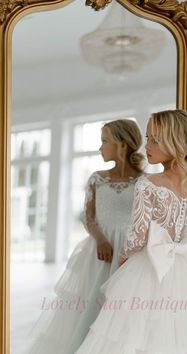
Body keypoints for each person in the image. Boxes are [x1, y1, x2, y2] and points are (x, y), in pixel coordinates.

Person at [75, 109, 187, 354]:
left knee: (134, 335)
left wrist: (120, 266)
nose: (147, 145)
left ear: (176, 142)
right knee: (182, 333)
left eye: (155, 140)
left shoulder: (147, 183)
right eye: (148, 137)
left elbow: (137, 238)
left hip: (148, 267)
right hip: (186, 270)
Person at [26, 119, 144, 354]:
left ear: (123, 145)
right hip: (99, 253)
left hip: (130, 254)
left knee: (123, 308)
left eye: (104, 141)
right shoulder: (96, 178)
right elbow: (88, 217)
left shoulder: (145, 181)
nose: (100, 147)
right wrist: (101, 239)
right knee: (91, 306)